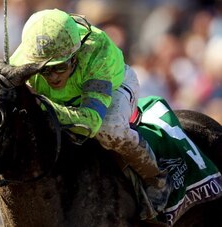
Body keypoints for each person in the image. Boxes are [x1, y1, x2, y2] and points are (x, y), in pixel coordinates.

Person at [10, 8, 169, 218]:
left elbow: (91, 122)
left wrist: (41, 106)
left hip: (114, 88)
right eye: (44, 69)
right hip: (61, 99)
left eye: (60, 66)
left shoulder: (97, 52)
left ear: (75, 56)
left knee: (109, 129)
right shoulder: (23, 58)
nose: (53, 77)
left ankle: (156, 178)